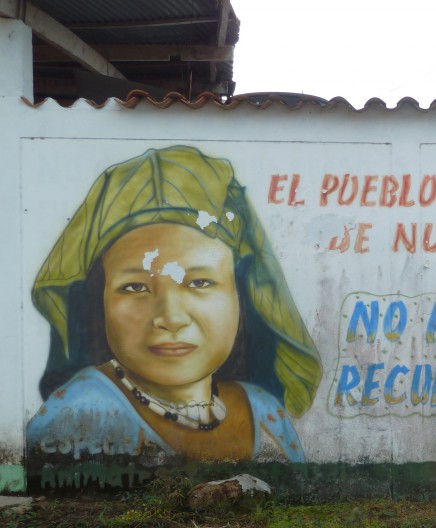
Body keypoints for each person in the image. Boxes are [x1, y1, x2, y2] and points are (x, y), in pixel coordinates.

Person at [27, 146, 322, 464]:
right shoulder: (76, 420)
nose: (170, 317)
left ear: (239, 295)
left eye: (199, 283)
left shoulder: (263, 410)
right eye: (135, 287)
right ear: (100, 304)